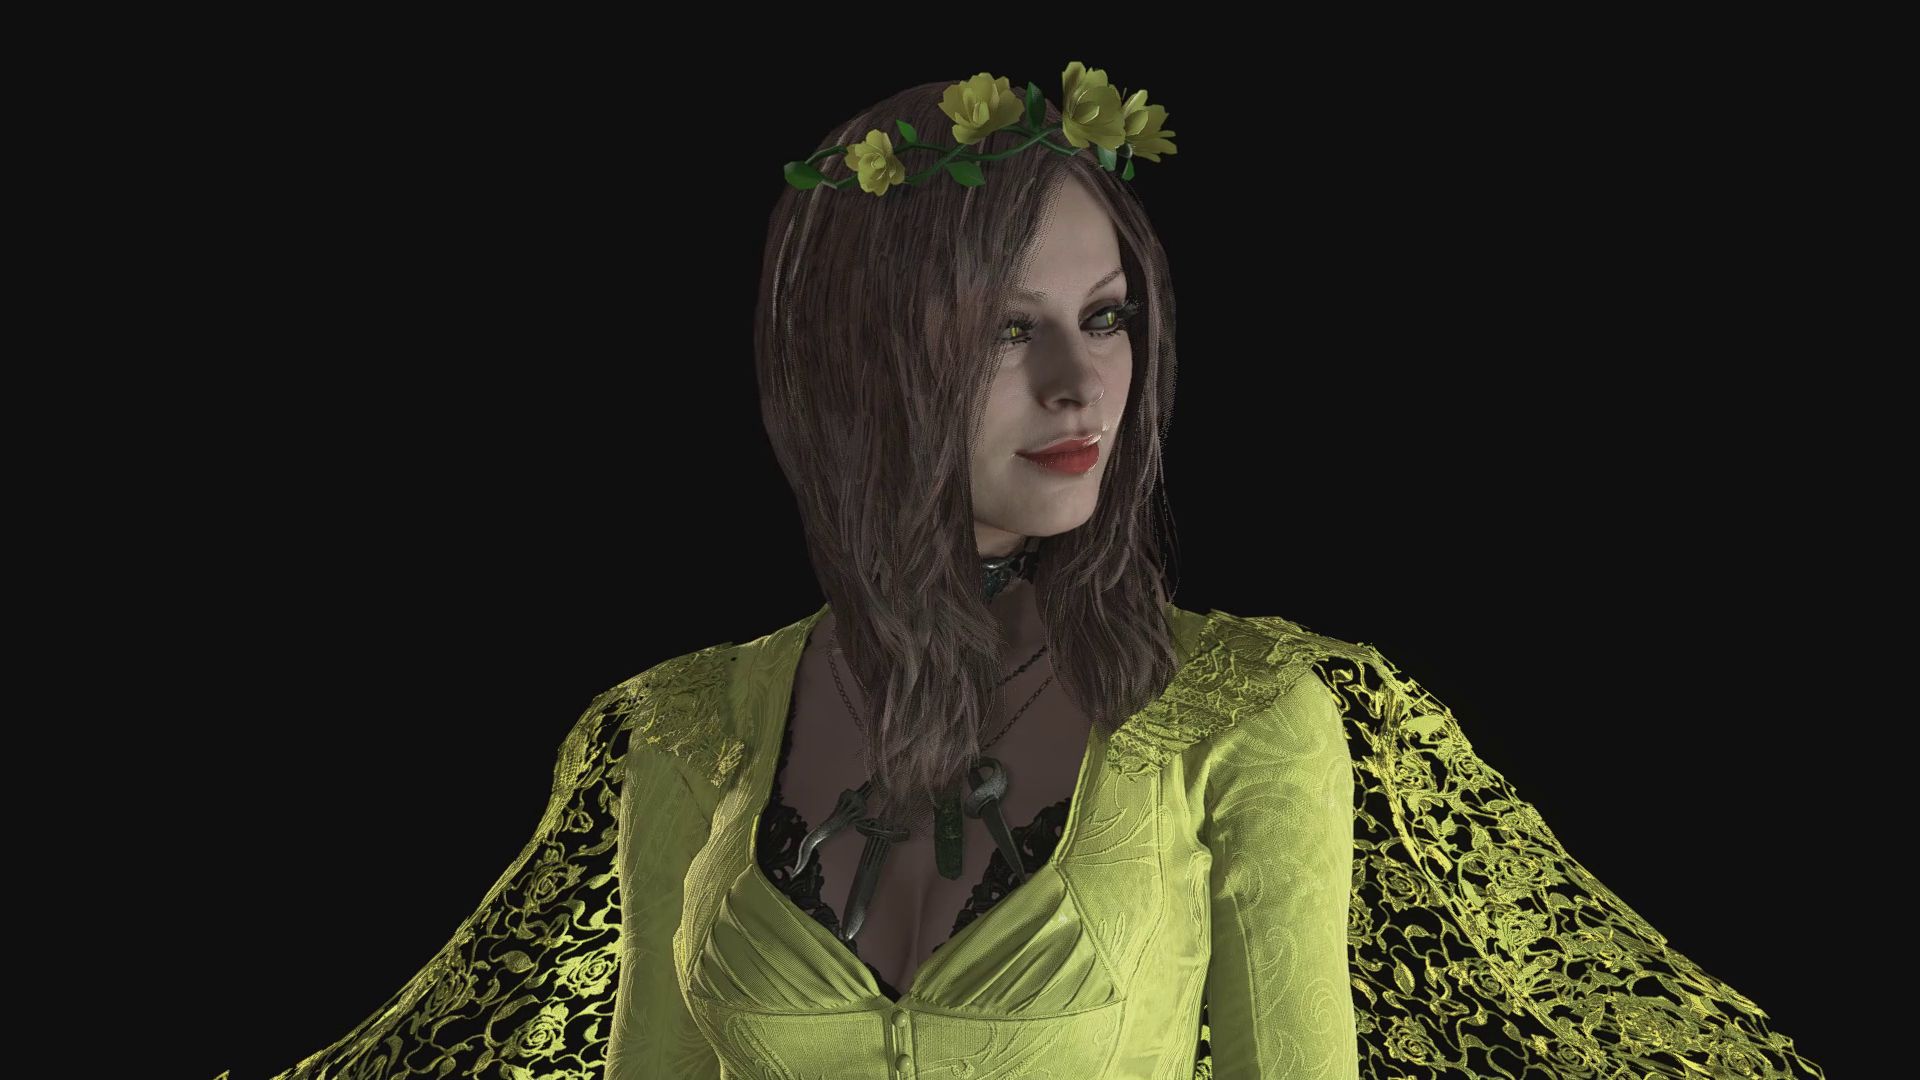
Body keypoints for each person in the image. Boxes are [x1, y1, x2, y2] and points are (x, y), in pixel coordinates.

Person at [257, 65, 1824, 1080]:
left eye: (1107, 317)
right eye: (1009, 329)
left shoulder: (1242, 715)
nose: (1083, 386)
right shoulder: (685, 729)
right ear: (859, 361)